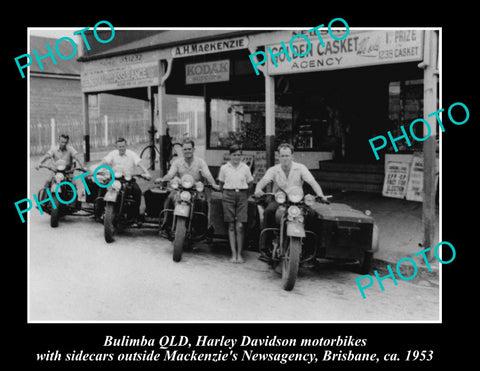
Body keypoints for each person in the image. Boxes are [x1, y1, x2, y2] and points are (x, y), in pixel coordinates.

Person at [254, 143, 328, 257]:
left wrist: (320, 194)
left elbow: (312, 182)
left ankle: (310, 251)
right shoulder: (274, 170)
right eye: (282, 156)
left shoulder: (300, 168)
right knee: (268, 211)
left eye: (287, 155)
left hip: (297, 199)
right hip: (280, 199)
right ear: (278, 157)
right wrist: (258, 189)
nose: (285, 158)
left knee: (312, 215)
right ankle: (266, 247)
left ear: (292, 156)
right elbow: (263, 181)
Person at [159, 138, 220, 237]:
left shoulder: (200, 162)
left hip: (195, 189)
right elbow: (170, 174)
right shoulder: (177, 162)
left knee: (203, 202)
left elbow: (207, 175)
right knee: (170, 198)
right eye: (185, 149)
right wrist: (163, 179)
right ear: (182, 150)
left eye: (189, 149)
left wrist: (213, 184)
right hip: (180, 188)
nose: (187, 151)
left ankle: (202, 229)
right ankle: (166, 226)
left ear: (193, 149)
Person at [98, 137, 152, 222]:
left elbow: (140, 164)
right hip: (115, 178)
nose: (121, 148)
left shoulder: (132, 154)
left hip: (128, 179)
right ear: (117, 147)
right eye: (119, 146)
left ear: (126, 146)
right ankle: (100, 212)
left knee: (137, 191)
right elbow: (104, 161)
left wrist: (146, 173)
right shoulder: (113, 154)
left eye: (123, 146)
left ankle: (135, 216)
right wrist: (97, 169)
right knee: (102, 187)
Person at [218, 144, 254, 263]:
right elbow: (221, 185)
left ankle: (240, 254)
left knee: (240, 226)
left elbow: (250, 183)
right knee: (231, 226)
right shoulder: (224, 168)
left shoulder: (245, 168)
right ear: (230, 155)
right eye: (234, 154)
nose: (236, 157)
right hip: (228, 195)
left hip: (242, 195)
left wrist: (244, 195)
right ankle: (233, 254)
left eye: (239, 155)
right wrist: (226, 194)